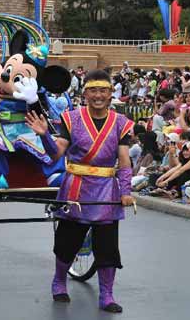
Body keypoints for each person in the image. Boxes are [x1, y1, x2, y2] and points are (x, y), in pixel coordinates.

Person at [25, 69, 135, 313]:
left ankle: (107, 294)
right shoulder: (71, 118)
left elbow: (125, 160)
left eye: (103, 91)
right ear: (85, 93)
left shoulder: (121, 123)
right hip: (76, 187)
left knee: (107, 245)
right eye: (93, 90)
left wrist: (126, 191)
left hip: (107, 191)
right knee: (67, 241)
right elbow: (56, 153)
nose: (98, 95)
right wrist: (44, 136)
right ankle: (59, 281)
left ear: (110, 94)